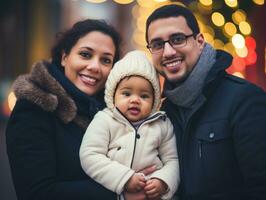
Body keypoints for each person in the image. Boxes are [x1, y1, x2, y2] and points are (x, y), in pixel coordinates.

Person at [145, 4, 266, 200]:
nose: (168, 52)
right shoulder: (163, 113)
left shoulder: (244, 99)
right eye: (157, 44)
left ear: (199, 41)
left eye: (177, 39)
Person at [5, 18, 123, 200]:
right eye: (85, 54)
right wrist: (121, 190)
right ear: (64, 57)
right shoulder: (34, 108)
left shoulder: (112, 112)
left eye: (105, 60)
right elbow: (37, 194)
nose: (94, 66)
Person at [79, 50, 179, 200]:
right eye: (126, 94)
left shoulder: (162, 124)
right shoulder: (105, 120)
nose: (135, 100)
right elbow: (90, 155)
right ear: (113, 94)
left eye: (144, 96)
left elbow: (172, 160)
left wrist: (163, 181)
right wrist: (125, 178)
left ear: (155, 100)